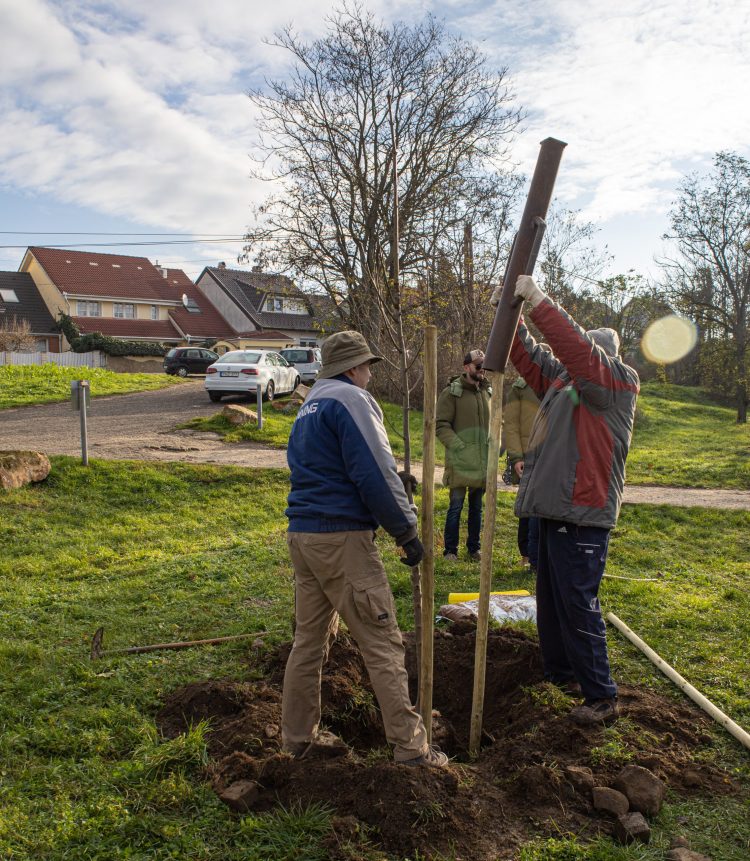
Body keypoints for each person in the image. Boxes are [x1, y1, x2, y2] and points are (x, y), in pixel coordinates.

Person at [282, 330, 448, 767]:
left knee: (308, 643)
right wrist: (406, 532)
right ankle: (411, 748)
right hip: (343, 543)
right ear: (353, 367)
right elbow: (370, 474)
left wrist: (395, 479)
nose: (371, 374)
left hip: (304, 536)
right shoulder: (351, 400)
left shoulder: (311, 404)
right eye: (368, 366)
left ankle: (298, 741)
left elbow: (335, 467)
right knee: (381, 641)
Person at [502, 275, 640, 725]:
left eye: (580, 358)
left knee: (577, 602)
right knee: (552, 597)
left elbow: (575, 351)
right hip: (551, 510)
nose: (570, 362)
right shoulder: (565, 384)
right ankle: (562, 675)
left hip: (583, 514)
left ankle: (601, 696)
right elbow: (528, 358)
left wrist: (540, 302)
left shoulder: (613, 383)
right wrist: (510, 314)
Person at [435, 349, 491, 562]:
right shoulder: (451, 393)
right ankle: (450, 551)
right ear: (466, 367)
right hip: (459, 461)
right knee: (455, 507)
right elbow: (441, 425)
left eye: (484, 366)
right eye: (478, 366)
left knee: (477, 508)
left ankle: (473, 549)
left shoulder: (487, 391)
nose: (482, 370)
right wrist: (459, 447)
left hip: (481, 461)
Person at [503, 374, 542, 570]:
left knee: (544, 507)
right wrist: (516, 457)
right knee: (527, 506)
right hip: (527, 456)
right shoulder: (519, 389)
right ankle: (526, 555)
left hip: (551, 455)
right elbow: (510, 425)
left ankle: (540, 557)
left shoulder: (559, 383)